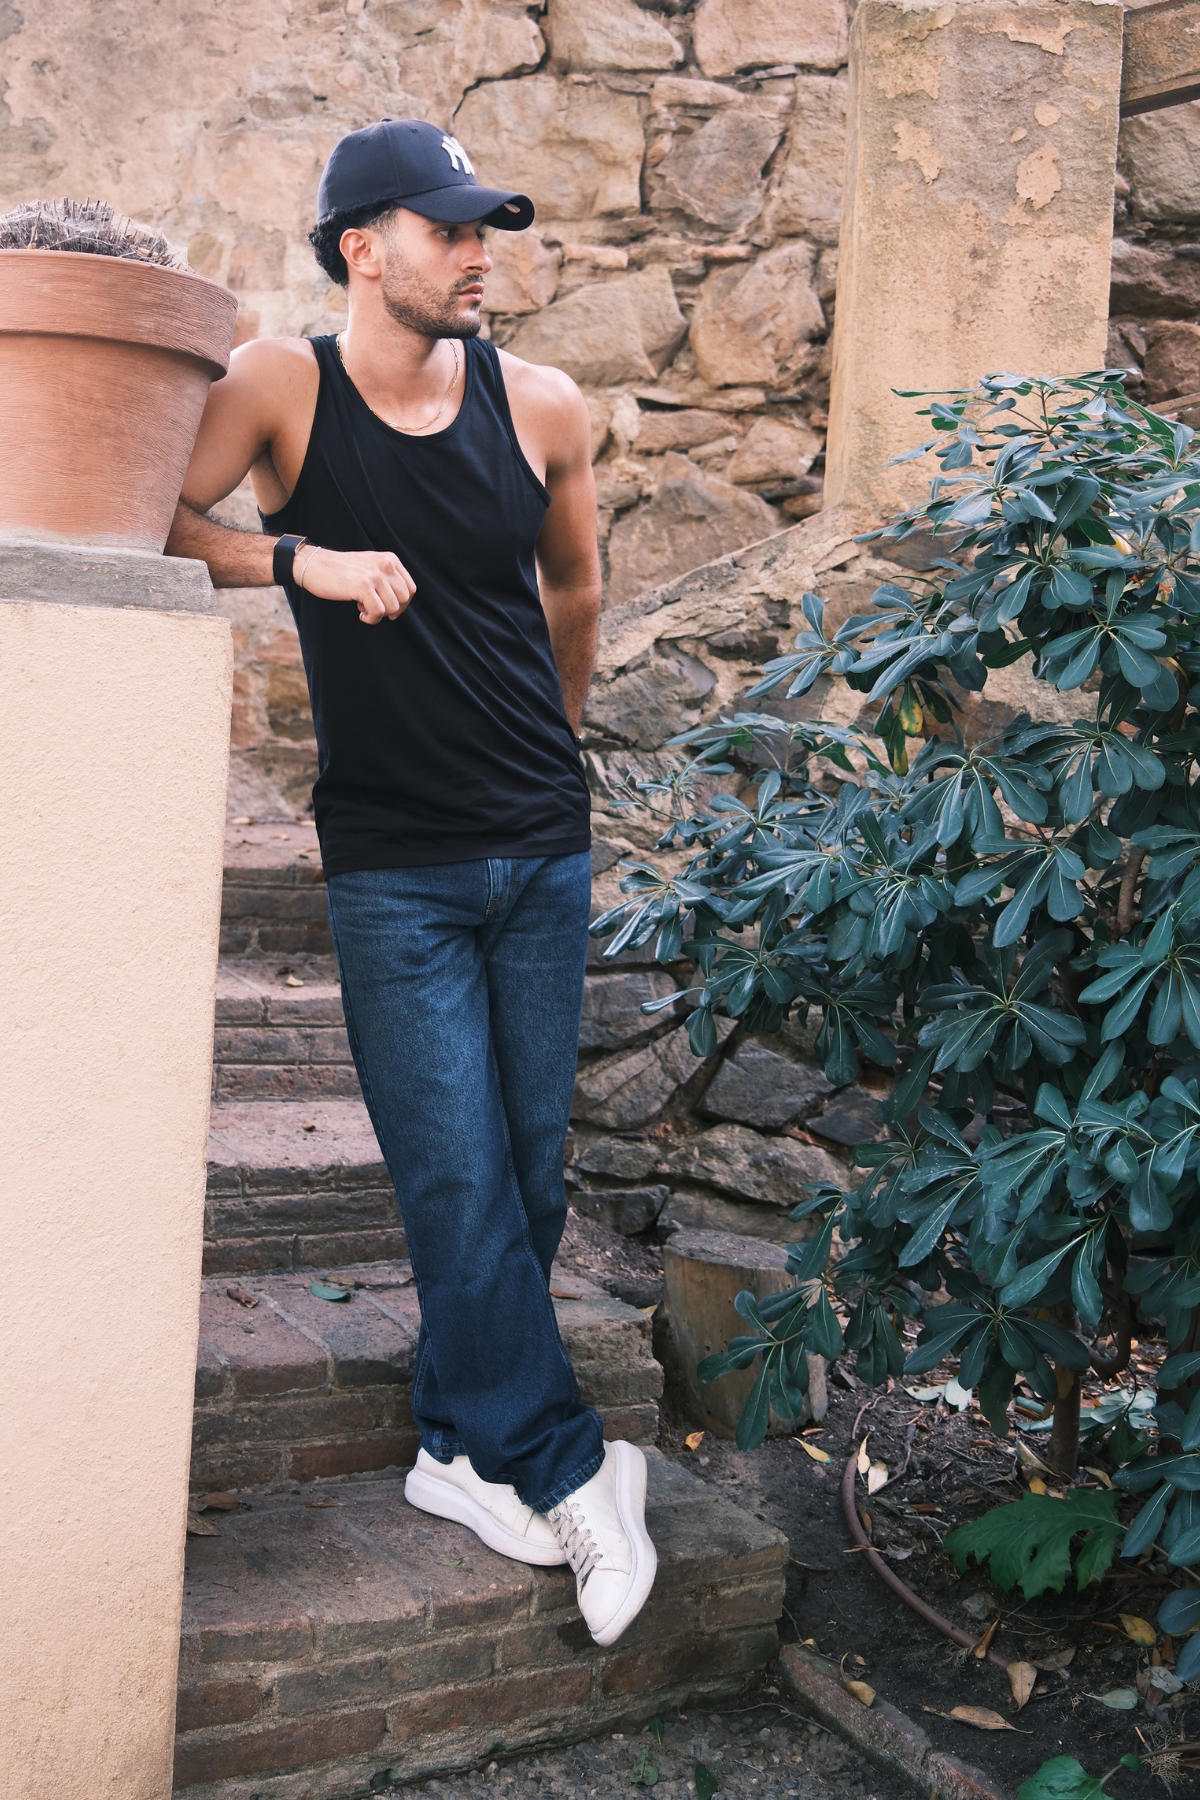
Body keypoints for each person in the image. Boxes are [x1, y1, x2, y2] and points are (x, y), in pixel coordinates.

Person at [167, 119, 656, 1647]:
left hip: (541, 847)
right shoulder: (280, 385)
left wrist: (551, 755)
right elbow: (158, 512)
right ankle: (569, 1469)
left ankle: (454, 1446)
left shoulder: (544, 404)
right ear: (361, 247)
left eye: (484, 227)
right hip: (395, 869)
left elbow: (577, 589)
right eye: (447, 228)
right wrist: (297, 562)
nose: (477, 252)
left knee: (527, 1175)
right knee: (454, 1177)